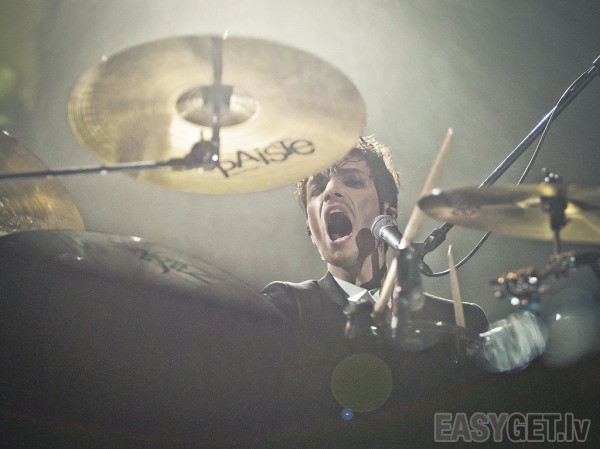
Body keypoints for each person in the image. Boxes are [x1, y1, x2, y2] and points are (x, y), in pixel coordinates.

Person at [261, 135, 488, 341]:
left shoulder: (460, 321)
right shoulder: (289, 306)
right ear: (311, 228)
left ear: (388, 213)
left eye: (353, 181)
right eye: (318, 189)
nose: (330, 191)